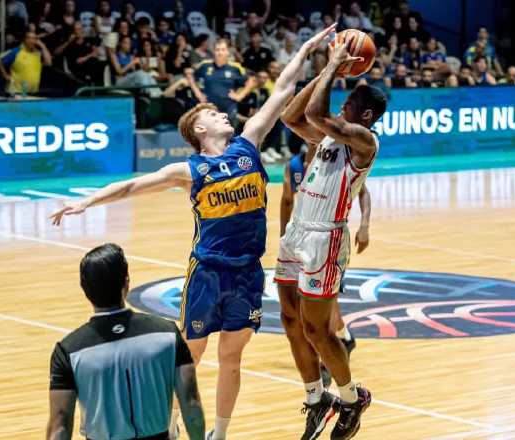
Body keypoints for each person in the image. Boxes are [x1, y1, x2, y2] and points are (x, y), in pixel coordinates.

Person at [49, 24, 339, 440]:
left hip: (247, 272)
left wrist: (312, 50)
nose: (223, 113)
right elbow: (132, 185)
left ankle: (218, 434)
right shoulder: (188, 170)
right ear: (199, 131)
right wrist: (87, 202)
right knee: (191, 357)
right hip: (207, 273)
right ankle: (167, 426)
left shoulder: (248, 146)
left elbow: (281, 89)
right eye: (212, 113)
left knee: (232, 358)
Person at [277, 40, 387, 440]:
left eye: (350, 105)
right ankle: (315, 398)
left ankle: (350, 396)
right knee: (290, 318)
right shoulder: (325, 137)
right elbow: (293, 116)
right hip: (298, 231)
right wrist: (328, 72)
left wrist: (332, 68)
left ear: (366, 116)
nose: (342, 107)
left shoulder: (364, 143)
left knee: (318, 330)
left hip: (325, 237)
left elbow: (316, 113)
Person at [46, 243, 205, 440]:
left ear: (84, 289)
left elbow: (59, 428)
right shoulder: (168, 334)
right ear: (127, 283)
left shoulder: (68, 351)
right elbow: (192, 407)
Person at [194, 39, 247, 125]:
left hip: (228, 110)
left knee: (228, 137)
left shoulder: (236, 68)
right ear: (213, 52)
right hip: (208, 110)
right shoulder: (204, 65)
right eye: (217, 50)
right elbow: (190, 76)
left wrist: (240, 95)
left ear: (228, 52)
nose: (220, 52)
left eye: (223, 50)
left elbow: (251, 81)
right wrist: (198, 93)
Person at [0, 31, 52, 96]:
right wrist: (5, 76)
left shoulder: (38, 53)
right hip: (15, 92)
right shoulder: (16, 51)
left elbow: (49, 63)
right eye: (29, 38)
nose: (31, 40)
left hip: (32, 91)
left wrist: (43, 46)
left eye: (34, 38)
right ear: (25, 39)